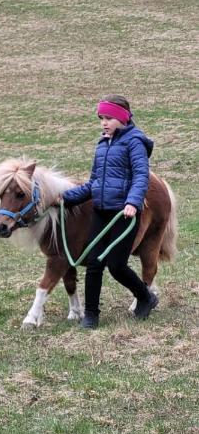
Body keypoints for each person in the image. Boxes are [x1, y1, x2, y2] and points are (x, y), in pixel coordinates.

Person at [61, 96, 158, 330]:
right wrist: (66, 198)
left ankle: (145, 297)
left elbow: (141, 176)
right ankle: (91, 315)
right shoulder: (103, 144)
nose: (104, 123)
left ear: (123, 118)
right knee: (94, 263)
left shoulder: (135, 142)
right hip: (101, 212)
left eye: (109, 118)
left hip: (124, 214)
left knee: (116, 265)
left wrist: (133, 202)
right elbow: (94, 182)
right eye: (101, 118)